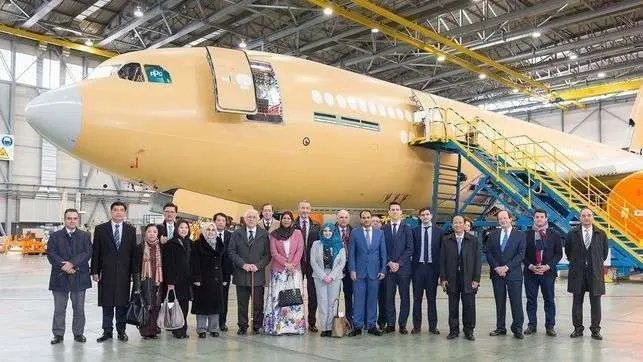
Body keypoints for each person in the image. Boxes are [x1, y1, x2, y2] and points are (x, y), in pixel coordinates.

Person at [91, 201, 139, 343]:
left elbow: (133, 254)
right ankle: (107, 331)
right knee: (107, 303)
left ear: (125, 213)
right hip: (106, 272)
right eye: (116, 210)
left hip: (124, 273)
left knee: (122, 304)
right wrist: (94, 270)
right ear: (111, 212)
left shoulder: (130, 230)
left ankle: (121, 331)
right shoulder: (100, 229)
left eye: (121, 210)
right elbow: (96, 252)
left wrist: (134, 273)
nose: (119, 212)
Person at [48, 208, 92, 344]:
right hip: (60, 277)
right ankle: (58, 334)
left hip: (79, 276)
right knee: (59, 309)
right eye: (69, 218)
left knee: (79, 308)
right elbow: (51, 253)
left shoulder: (85, 236)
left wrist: (72, 264)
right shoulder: (55, 236)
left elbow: (87, 253)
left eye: (74, 218)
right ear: (64, 219)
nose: (72, 221)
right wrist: (64, 266)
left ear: (78, 220)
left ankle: (78, 333)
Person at [566, 208, 608, 340]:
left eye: (589, 215)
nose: (586, 218)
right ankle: (578, 329)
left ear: (593, 217)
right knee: (577, 302)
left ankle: (595, 330)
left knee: (595, 303)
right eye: (583, 215)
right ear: (580, 218)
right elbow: (568, 252)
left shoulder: (601, 234)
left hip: (594, 274)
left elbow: (604, 254)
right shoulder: (572, 234)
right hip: (577, 273)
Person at [228, 209, 271, 335]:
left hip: (257, 275)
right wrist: (243, 264)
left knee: (258, 303)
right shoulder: (237, 233)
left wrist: (258, 266)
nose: (251, 219)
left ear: (258, 219)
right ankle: (242, 326)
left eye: (253, 217)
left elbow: (267, 255)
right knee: (242, 303)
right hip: (241, 274)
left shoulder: (264, 234)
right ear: (244, 219)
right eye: (248, 217)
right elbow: (231, 251)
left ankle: (257, 325)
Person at [263, 211, 306, 335]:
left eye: (289, 218)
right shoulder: (274, 234)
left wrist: (292, 264)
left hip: (294, 271)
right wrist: (286, 264)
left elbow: (300, 250)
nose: (286, 220)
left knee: (294, 298)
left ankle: (295, 328)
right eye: (284, 218)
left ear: (292, 220)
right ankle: (278, 327)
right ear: (281, 220)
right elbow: (274, 252)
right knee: (278, 299)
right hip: (279, 272)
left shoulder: (297, 233)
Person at [440, 215, 481, 341]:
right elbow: (442, 260)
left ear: (464, 224)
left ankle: (469, 330)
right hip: (452, 278)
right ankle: (454, 330)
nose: (457, 225)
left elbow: (477, 261)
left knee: (469, 305)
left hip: (468, 278)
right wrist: (443, 278)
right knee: (453, 305)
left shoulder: (473, 240)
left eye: (460, 222)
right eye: (455, 223)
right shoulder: (447, 240)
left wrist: (476, 279)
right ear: (452, 225)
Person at [486, 210, 526, 339]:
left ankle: (517, 328)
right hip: (497, 274)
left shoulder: (520, 235)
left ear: (510, 219)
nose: (503, 220)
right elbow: (488, 253)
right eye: (500, 219)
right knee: (499, 302)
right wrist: (497, 267)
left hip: (513, 274)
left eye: (505, 218)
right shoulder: (493, 234)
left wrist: (507, 267)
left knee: (516, 302)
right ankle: (500, 327)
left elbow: (521, 254)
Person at [523, 209, 563, 337]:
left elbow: (558, 254)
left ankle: (550, 326)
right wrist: (530, 266)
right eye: (537, 217)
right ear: (533, 219)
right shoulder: (526, 235)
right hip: (531, 273)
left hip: (548, 273)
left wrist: (547, 266)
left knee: (549, 300)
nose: (539, 219)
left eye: (541, 217)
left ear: (546, 219)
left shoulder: (555, 235)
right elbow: (521, 253)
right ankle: (532, 325)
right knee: (531, 300)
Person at [348, 210, 387, 336]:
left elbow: (383, 253)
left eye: (368, 217)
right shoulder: (355, 233)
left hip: (374, 272)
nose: (366, 219)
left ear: (371, 218)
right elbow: (351, 253)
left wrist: (382, 270)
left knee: (372, 300)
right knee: (358, 300)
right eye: (363, 218)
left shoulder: (379, 233)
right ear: (361, 220)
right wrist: (352, 269)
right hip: (358, 273)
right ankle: (357, 327)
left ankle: (371, 325)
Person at [411, 207, 444, 335]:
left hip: (432, 269)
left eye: (427, 214)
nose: (425, 216)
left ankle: (432, 326)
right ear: (419, 217)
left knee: (432, 299)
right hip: (418, 268)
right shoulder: (414, 231)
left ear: (431, 216)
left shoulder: (440, 232)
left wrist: (441, 273)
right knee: (417, 299)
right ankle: (417, 326)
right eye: (422, 214)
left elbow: (442, 253)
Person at [381, 202, 413, 334]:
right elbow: (381, 249)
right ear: (388, 213)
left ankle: (402, 324)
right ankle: (390, 323)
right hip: (389, 269)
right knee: (389, 297)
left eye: (397, 210)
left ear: (401, 212)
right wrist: (389, 262)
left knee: (404, 297)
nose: (395, 212)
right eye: (392, 210)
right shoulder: (383, 229)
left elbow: (410, 249)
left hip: (403, 269)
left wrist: (398, 263)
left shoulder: (407, 228)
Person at [311, 223, 347, 337]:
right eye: (324, 231)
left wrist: (331, 276)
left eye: (329, 230)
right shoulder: (316, 244)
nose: (327, 233)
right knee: (322, 302)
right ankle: (324, 328)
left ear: (333, 232)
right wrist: (323, 276)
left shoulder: (339, 245)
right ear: (321, 232)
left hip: (334, 277)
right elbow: (313, 261)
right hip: (319, 276)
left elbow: (342, 262)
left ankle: (331, 327)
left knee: (332, 303)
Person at [191, 222, 225, 338]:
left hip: (216, 278)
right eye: (208, 230)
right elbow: (194, 262)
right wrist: (196, 278)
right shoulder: (197, 244)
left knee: (215, 304)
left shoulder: (220, 243)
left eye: (213, 230)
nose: (211, 232)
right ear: (204, 231)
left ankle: (213, 328)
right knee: (202, 304)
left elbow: (224, 262)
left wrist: (224, 277)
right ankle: (201, 329)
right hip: (203, 279)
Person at [294, 200, 321, 332]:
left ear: (310, 210)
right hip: (297, 264)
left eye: (307, 208)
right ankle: (296, 321)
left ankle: (312, 322)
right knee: (296, 293)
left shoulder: (317, 225)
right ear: (298, 209)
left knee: (313, 294)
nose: (304, 210)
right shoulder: (292, 225)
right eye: (302, 208)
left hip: (312, 264)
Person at [162, 219, 192, 339]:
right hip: (174, 281)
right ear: (176, 229)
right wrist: (170, 282)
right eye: (181, 228)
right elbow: (168, 264)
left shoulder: (190, 243)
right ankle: (176, 330)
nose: (184, 230)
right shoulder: (171, 244)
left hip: (186, 281)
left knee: (184, 306)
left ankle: (183, 328)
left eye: (186, 228)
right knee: (174, 306)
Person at [136, 224, 163, 339]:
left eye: (154, 232)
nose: (152, 234)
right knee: (146, 305)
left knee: (156, 305)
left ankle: (153, 329)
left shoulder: (161, 247)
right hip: (145, 280)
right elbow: (136, 267)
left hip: (159, 280)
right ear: (145, 233)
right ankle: (145, 331)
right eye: (149, 231)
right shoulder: (140, 247)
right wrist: (137, 284)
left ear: (157, 234)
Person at [214, 213, 234, 332]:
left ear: (226, 222)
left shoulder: (230, 236)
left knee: (223, 299)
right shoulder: (208, 234)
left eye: (223, 220)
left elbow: (230, 255)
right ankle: (211, 323)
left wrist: (227, 275)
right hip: (211, 273)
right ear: (214, 221)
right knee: (211, 297)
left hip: (224, 273)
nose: (221, 222)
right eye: (218, 220)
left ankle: (222, 322)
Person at [335, 209, 354, 323]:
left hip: (349, 266)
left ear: (349, 219)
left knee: (349, 294)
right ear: (337, 218)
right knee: (334, 296)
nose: (343, 219)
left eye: (346, 217)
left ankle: (349, 320)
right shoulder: (330, 230)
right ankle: (333, 322)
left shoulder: (354, 231)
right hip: (335, 268)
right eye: (341, 217)